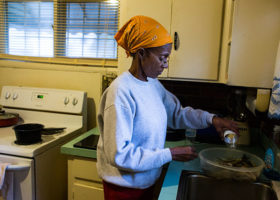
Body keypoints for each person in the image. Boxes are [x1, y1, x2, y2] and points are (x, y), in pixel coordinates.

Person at [96, 15, 238, 200]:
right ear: (141, 53)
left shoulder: (152, 84)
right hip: (123, 189)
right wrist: (169, 154)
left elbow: (177, 114)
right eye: (162, 57)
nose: (166, 64)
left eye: (167, 57)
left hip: (146, 181)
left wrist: (212, 119)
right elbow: (119, 155)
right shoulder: (121, 92)